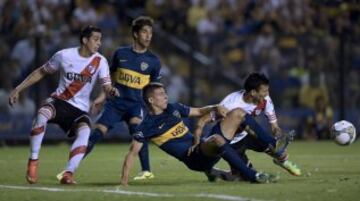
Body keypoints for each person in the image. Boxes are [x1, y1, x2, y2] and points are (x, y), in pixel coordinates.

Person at [8, 26, 119, 184]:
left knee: (86, 132)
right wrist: (18, 89)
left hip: (79, 109)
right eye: (95, 39)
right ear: (84, 40)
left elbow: (106, 85)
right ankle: (33, 160)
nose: (99, 43)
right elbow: (41, 72)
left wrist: (111, 90)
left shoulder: (100, 61)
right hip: (59, 102)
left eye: (100, 39)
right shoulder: (63, 55)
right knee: (41, 115)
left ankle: (68, 174)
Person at [120, 83, 279, 186]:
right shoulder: (146, 125)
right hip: (194, 159)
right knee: (217, 139)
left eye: (165, 92)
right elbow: (132, 153)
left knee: (238, 112)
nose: (166, 96)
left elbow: (199, 111)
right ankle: (252, 175)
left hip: (202, 147)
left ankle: (273, 144)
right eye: (161, 94)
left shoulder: (173, 108)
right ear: (151, 100)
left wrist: (216, 106)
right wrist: (124, 182)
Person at [84, 16, 161, 180]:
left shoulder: (154, 61)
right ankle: (70, 169)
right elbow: (109, 79)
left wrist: (156, 108)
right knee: (97, 133)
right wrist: (102, 96)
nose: (148, 36)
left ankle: (146, 170)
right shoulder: (120, 53)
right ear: (135, 34)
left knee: (137, 130)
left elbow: (154, 88)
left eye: (150, 33)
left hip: (136, 104)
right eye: (144, 32)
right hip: (116, 103)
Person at [196, 72, 301, 181]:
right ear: (253, 92)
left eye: (267, 90)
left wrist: (278, 135)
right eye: (264, 91)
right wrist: (199, 138)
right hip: (233, 143)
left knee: (275, 147)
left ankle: (282, 161)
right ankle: (212, 171)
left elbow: (274, 127)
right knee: (240, 177)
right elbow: (206, 119)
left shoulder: (266, 100)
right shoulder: (231, 103)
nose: (267, 94)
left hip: (248, 134)